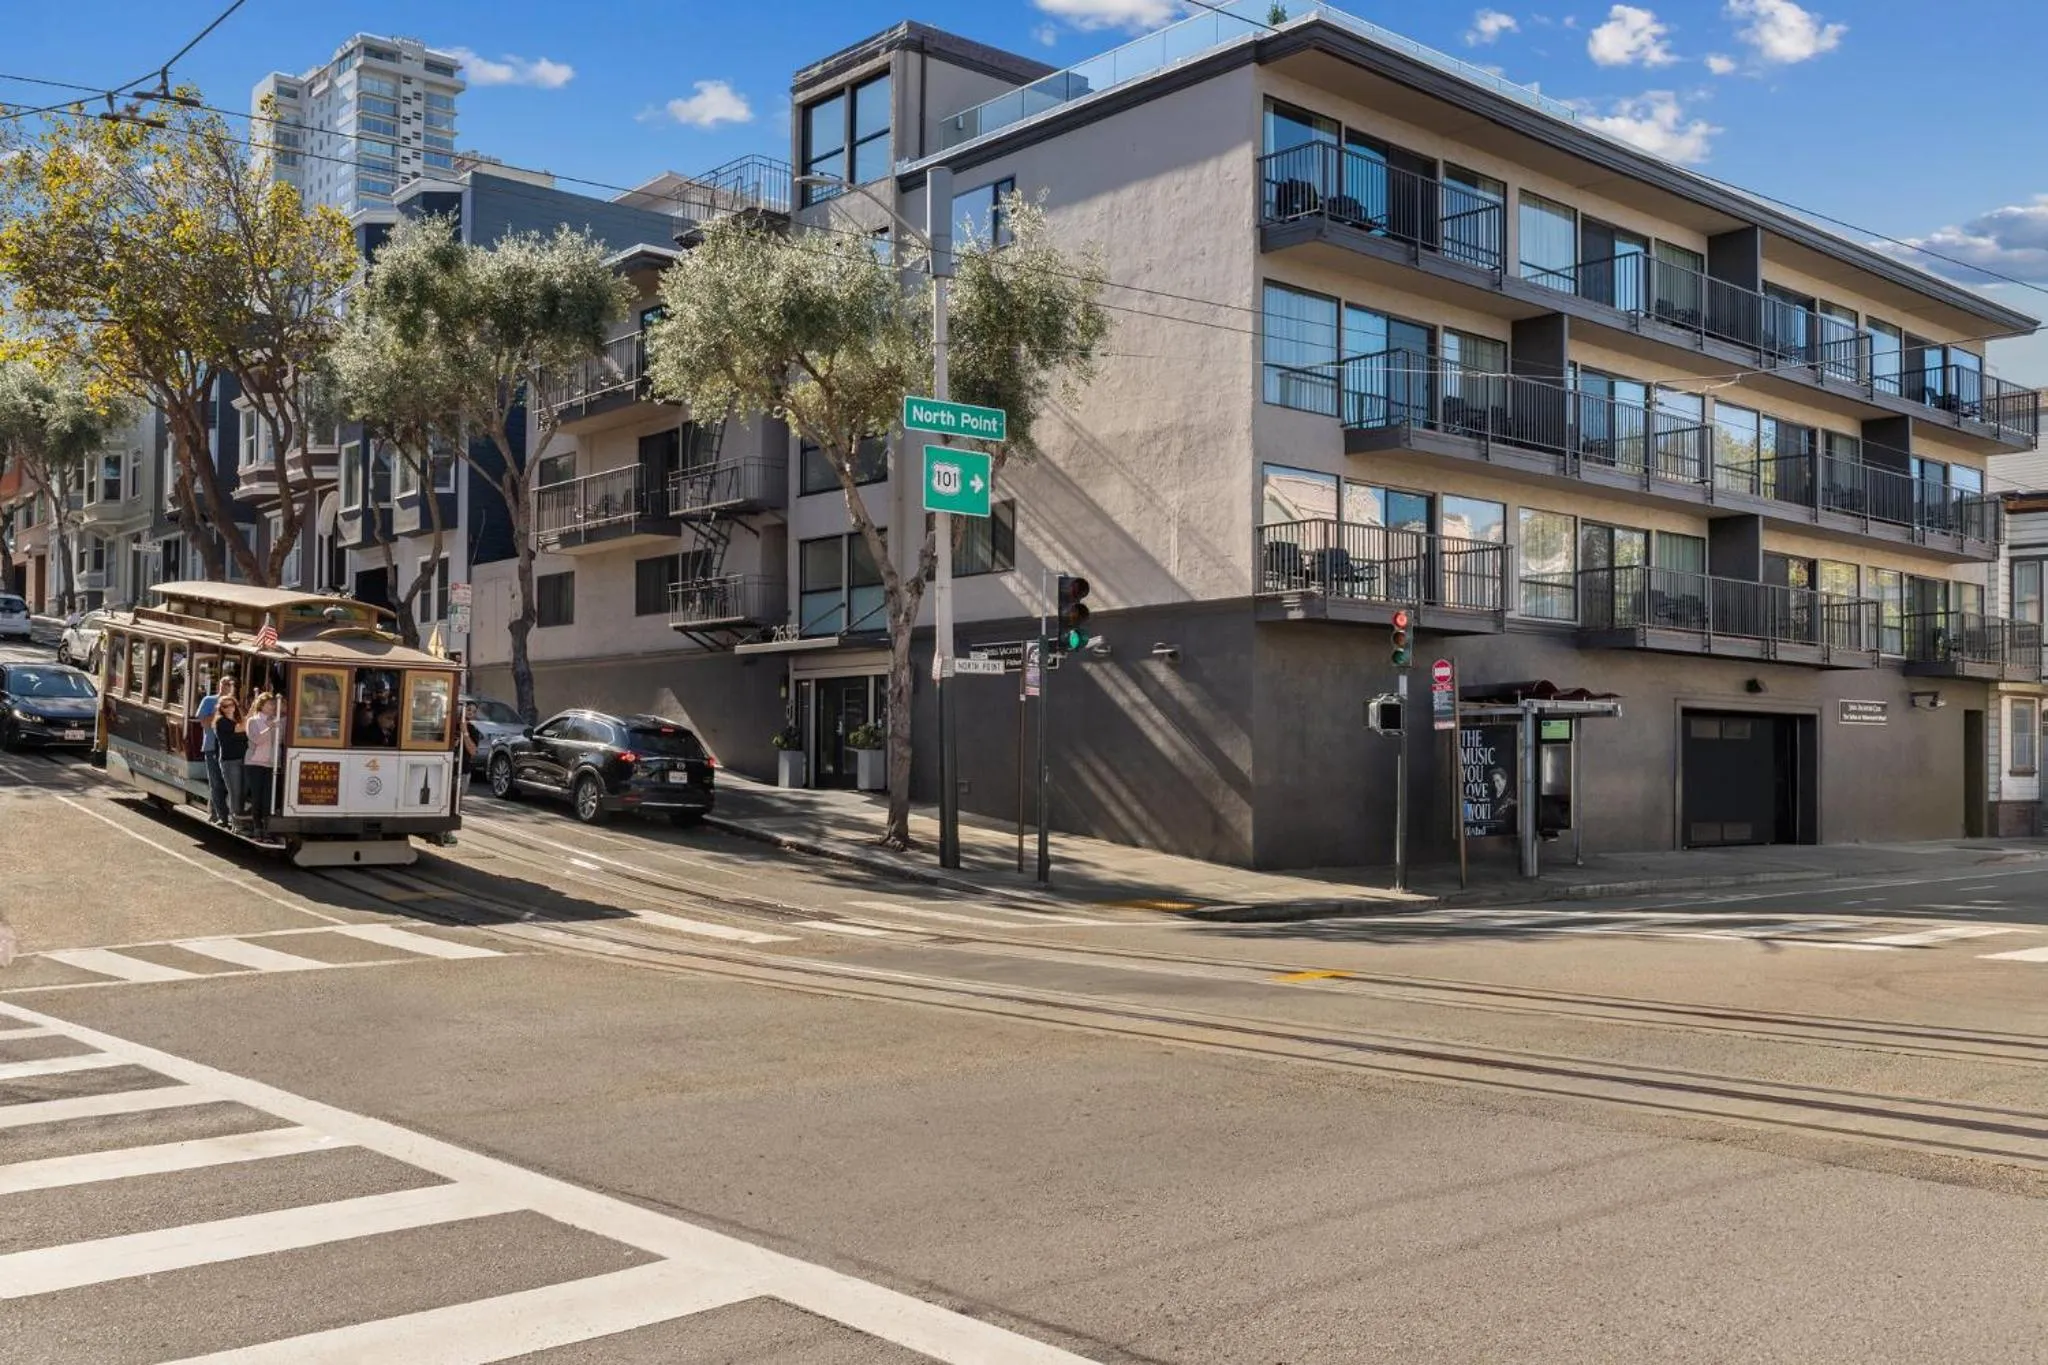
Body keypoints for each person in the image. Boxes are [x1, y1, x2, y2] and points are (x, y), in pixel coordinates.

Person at [197, 675, 236, 826]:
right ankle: (221, 816)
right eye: (223, 683)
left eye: (229, 684)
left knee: (229, 784)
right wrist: (219, 709)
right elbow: (205, 723)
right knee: (216, 783)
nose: (225, 686)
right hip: (212, 746)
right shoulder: (209, 701)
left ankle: (220, 813)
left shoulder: (235, 704)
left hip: (230, 748)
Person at [243, 692, 281, 840]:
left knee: (268, 798)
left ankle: (267, 827)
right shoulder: (252, 721)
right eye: (270, 704)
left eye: (273, 704)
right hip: (254, 763)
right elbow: (256, 740)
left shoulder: (276, 721)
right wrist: (269, 727)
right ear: (261, 705)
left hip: (270, 765)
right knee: (257, 797)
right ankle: (257, 826)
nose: (272, 707)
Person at [214, 693, 248, 831]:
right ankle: (236, 824)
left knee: (243, 791)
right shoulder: (220, 721)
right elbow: (241, 728)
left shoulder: (237, 719)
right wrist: (253, 710)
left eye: (231, 704)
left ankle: (240, 819)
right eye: (225, 706)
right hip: (230, 761)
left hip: (243, 759)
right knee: (235, 792)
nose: (229, 708)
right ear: (221, 708)